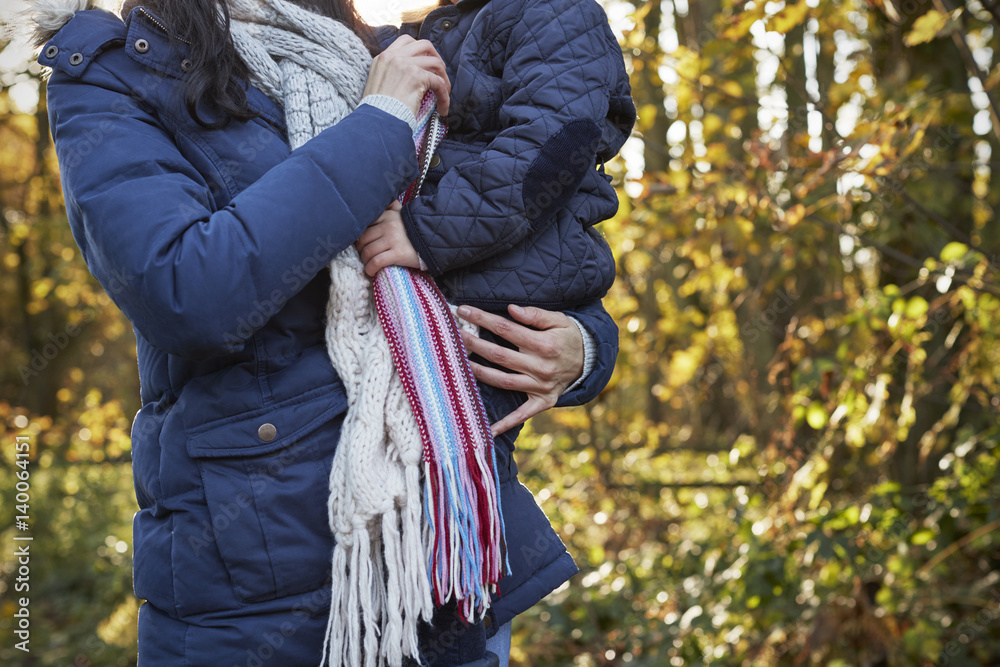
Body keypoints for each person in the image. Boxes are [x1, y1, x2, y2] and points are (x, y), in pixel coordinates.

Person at [27, 0, 621, 665]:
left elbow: (508, 230)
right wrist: (379, 125)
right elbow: (189, 294)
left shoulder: (377, 49)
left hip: (444, 564)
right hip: (255, 597)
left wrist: (585, 345)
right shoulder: (112, 73)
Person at [358, 1, 635, 663]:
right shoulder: (432, 27)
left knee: (447, 477)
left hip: (502, 287)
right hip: (455, 292)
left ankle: (454, 617)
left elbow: (547, 150)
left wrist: (424, 232)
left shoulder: (553, 13)